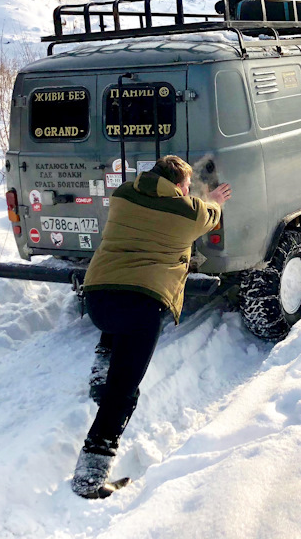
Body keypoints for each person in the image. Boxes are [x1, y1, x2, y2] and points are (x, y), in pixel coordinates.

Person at [71, 155, 232, 499]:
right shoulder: (186, 211)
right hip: (141, 305)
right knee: (124, 392)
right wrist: (213, 200)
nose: (190, 192)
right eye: (187, 187)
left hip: (97, 297)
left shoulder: (124, 196)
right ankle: (90, 474)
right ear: (178, 186)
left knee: (117, 319)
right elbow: (209, 217)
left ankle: (102, 369)